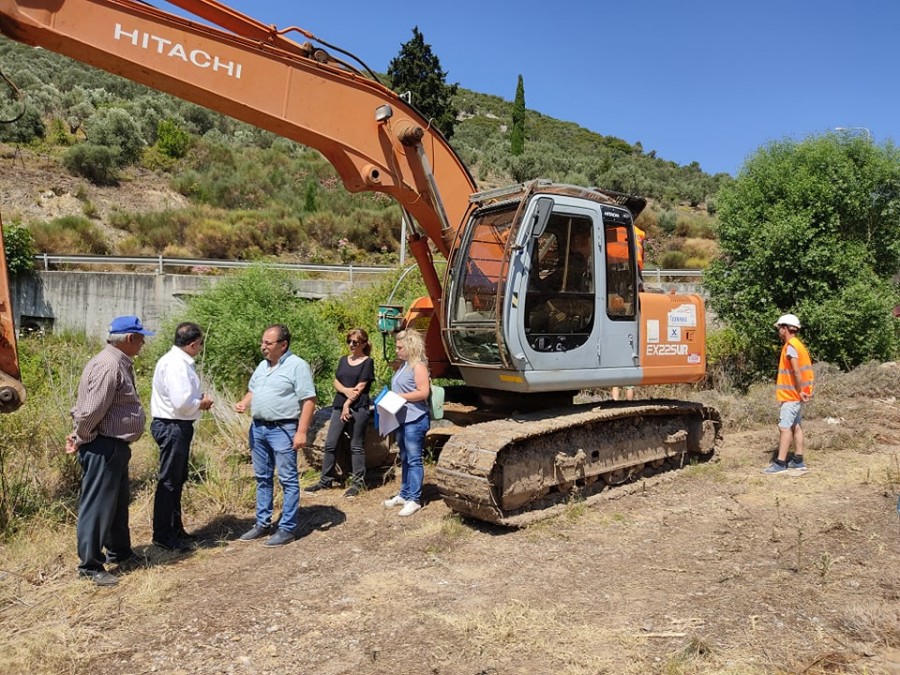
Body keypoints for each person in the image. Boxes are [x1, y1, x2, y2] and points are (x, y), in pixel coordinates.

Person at [67, 315, 154, 586]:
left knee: (116, 505)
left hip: (112, 446)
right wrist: (81, 436)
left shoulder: (115, 362)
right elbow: (92, 410)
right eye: (141, 338)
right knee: (97, 507)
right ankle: (90, 566)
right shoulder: (109, 366)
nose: (142, 343)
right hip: (103, 445)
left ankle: (120, 552)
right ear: (129, 339)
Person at [234, 324, 316, 546]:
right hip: (258, 428)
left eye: (268, 343)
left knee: (287, 479)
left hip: (283, 430)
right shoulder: (262, 366)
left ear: (283, 345)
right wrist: (244, 402)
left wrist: (301, 432)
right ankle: (262, 523)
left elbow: (308, 399)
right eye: (263, 342)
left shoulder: (297, 366)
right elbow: (254, 389)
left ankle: (287, 528)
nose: (263, 347)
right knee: (262, 477)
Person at [150, 322, 214, 552]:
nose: (199, 348)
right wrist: (202, 403)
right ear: (193, 343)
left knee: (176, 479)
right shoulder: (177, 364)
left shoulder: (174, 361)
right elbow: (182, 403)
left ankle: (174, 529)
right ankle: (164, 534)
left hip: (174, 425)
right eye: (200, 344)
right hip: (173, 425)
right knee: (169, 481)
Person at [306, 328, 375, 498]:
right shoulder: (344, 360)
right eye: (349, 341)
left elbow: (361, 387)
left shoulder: (367, 362)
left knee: (356, 446)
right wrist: (345, 392)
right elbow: (336, 381)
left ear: (364, 344)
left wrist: (348, 404)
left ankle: (357, 483)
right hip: (339, 406)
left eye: (355, 342)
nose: (351, 345)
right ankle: (325, 480)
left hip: (358, 408)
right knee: (330, 444)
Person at [382, 328, 430, 517]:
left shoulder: (418, 366)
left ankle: (414, 499)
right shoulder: (403, 366)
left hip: (415, 419)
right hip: (402, 419)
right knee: (405, 458)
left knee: (414, 459)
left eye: (400, 347)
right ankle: (404, 493)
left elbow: (423, 392)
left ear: (410, 346)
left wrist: (398, 396)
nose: (396, 350)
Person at [763, 313, 814, 474]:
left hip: (791, 396)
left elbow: (797, 372)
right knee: (796, 426)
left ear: (786, 328)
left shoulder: (791, 346)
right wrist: (804, 392)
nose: (778, 331)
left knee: (784, 428)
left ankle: (780, 463)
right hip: (797, 395)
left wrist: (800, 391)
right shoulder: (798, 344)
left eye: (779, 328)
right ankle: (798, 460)